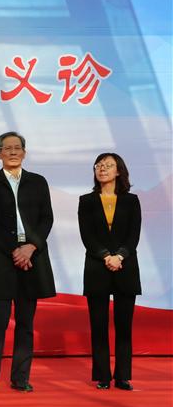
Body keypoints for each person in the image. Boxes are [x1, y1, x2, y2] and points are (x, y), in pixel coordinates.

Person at [0, 132, 55, 393]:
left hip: (32, 257)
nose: (12, 152)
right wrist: (15, 250)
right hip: (3, 257)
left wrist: (31, 247)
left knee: (26, 321)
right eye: (7, 148)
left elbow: (47, 219)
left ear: (24, 152)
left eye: (17, 148)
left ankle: (20, 377)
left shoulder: (38, 182)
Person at [77, 153, 141, 391]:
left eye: (108, 165)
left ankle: (123, 376)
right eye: (99, 165)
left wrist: (119, 256)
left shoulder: (131, 201)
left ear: (118, 171)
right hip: (97, 267)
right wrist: (106, 256)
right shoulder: (86, 201)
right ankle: (103, 376)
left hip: (125, 267)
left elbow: (133, 235)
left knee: (124, 327)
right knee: (99, 325)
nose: (102, 168)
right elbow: (87, 236)